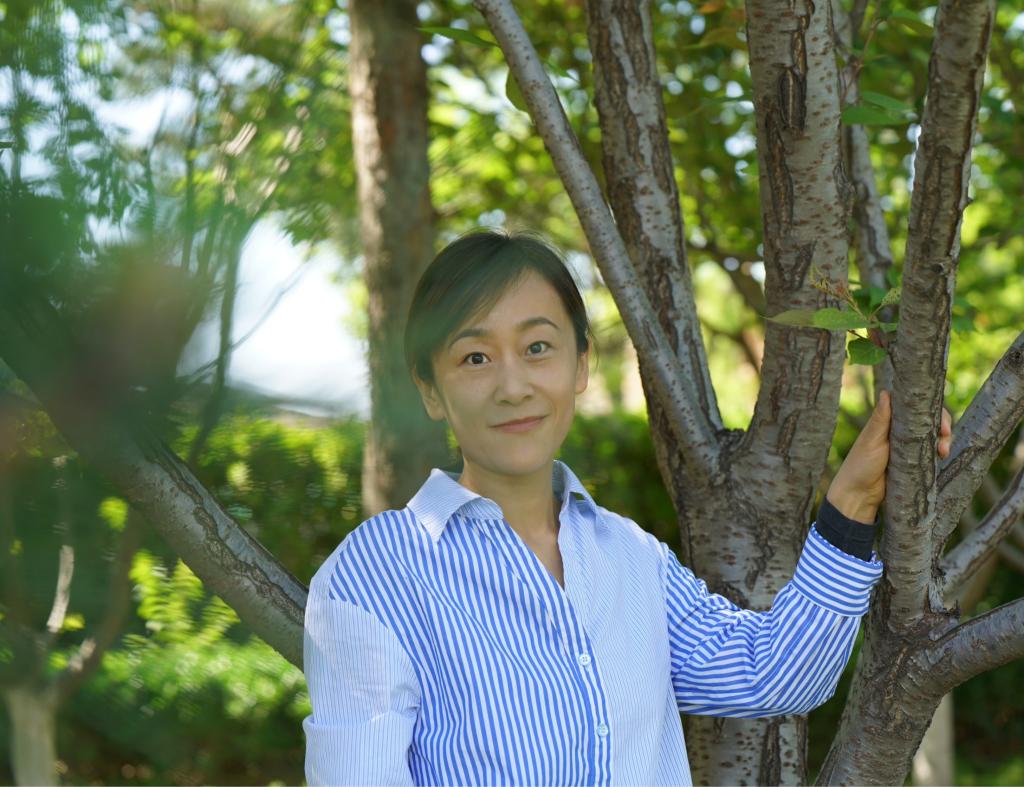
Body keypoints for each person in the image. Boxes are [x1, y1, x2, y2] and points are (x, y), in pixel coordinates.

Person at [302, 229, 953, 786]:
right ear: (430, 391)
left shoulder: (631, 556)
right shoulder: (374, 576)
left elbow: (776, 674)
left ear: (581, 365)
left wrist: (852, 502)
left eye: (537, 347)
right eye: (475, 357)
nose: (513, 386)